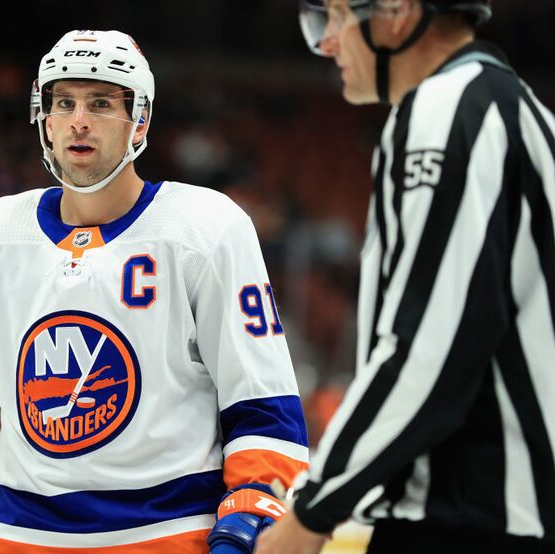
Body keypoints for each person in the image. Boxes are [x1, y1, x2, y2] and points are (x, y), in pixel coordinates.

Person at [0, 30, 309, 554]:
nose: (79, 120)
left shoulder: (205, 231)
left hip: (166, 535)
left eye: (100, 103)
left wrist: (254, 510)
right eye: (64, 102)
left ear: (139, 119)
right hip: (20, 538)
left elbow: (263, 404)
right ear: (45, 119)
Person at [255, 1, 555, 553]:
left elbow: (429, 350)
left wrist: (312, 509)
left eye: (339, 16)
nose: (327, 42)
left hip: (464, 519)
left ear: (397, 11)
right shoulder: (523, 112)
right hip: (513, 510)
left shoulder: (443, 110)